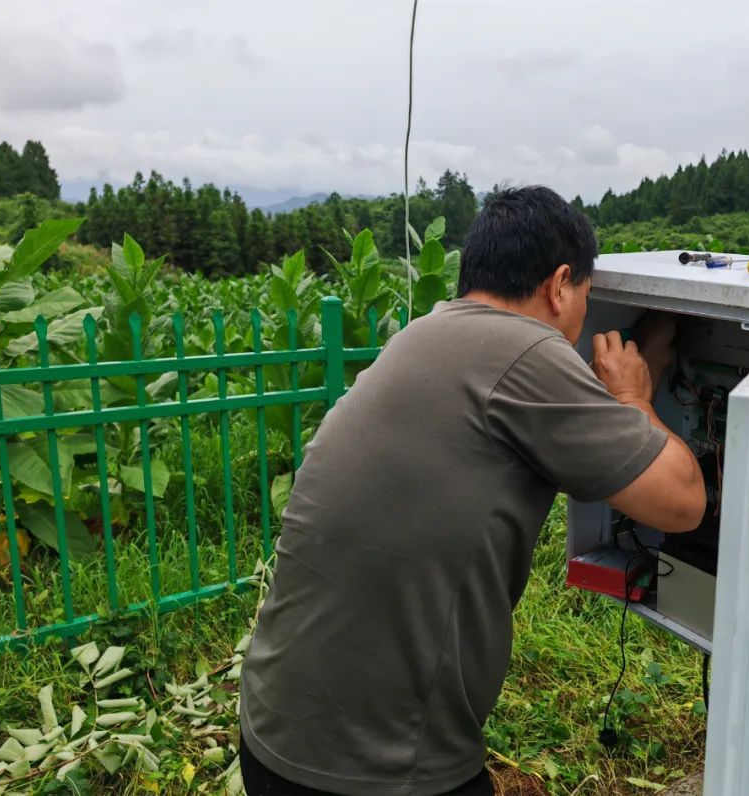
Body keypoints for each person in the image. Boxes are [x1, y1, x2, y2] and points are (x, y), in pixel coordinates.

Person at [238, 186, 706, 795]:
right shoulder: (528, 351)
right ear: (560, 285)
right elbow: (683, 502)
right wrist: (633, 397)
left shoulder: (423, 334)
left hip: (273, 730)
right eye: (587, 300)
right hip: (374, 771)